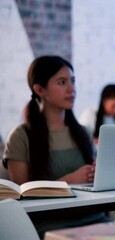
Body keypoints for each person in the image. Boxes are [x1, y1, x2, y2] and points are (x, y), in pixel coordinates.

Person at [2, 55, 109, 236]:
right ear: (40, 90)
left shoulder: (83, 132)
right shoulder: (20, 136)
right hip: (50, 224)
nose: (72, 89)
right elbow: (20, 195)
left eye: (72, 81)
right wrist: (68, 181)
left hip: (94, 217)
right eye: (62, 82)